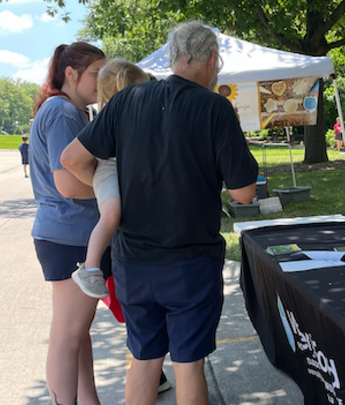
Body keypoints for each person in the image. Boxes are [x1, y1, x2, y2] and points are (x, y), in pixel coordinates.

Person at [61, 21, 258, 405]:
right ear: (212, 60)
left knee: (144, 360)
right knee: (187, 365)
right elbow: (244, 192)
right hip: (190, 261)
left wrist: (110, 190)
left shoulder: (125, 100)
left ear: (172, 58)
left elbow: (71, 158)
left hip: (133, 263)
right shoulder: (215, 107)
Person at [29, 42, 107, 405]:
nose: (101, 81)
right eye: (96, 73)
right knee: (66, 336)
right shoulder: (62, 112)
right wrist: (112, 192)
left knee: (77, 333)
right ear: (71, 74)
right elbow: (67, 183)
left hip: (64, 234)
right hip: (70, 236)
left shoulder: (66, 110)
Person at [69, 59, 149, 299]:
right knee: (112, 213)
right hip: (109, 169)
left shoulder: (143, 116)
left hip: (125, 170)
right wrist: (96, 184)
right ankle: (90, 268)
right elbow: (71, 159)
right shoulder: (110, 118)